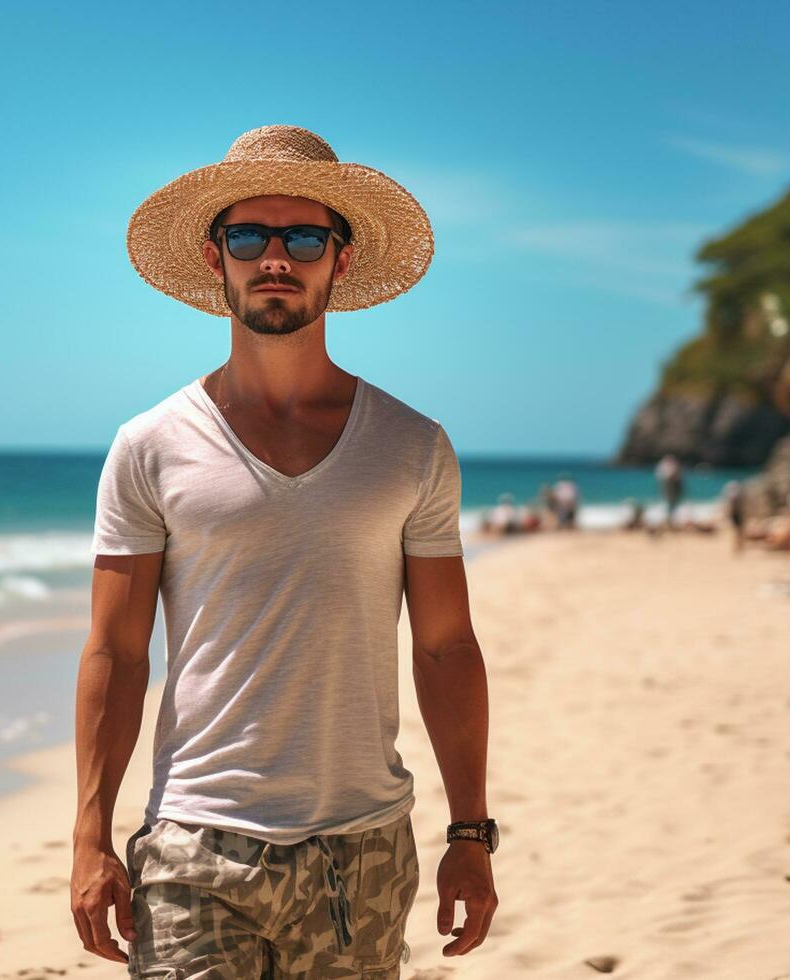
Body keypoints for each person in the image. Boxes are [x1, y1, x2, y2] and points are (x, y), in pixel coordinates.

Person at [72, 126, 497, 976]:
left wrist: (469, 832)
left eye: (303, 237)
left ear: (338, 260)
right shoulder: (150, 444)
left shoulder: (412, 446)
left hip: (363, 850)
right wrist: (89, 839)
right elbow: (117, 653)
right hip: (195, 845)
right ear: (214, 256)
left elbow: (446, 646)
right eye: (248, 236)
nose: (276, 258)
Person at [655, 454, 684, 529]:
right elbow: (662, 477)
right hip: (669, 489)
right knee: (669, 504)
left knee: (672, 505)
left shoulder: (671, 466)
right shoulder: (664, 466)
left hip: (673, 489)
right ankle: (668, 521)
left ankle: (670, 521)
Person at [722, 480, 745, 552]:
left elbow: (728, 507)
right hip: (737, 515)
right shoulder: (736, 496)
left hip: (734, 515)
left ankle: (737, 546)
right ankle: (738, 546)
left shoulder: (731, 496)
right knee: (739, 531)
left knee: (737, 531)